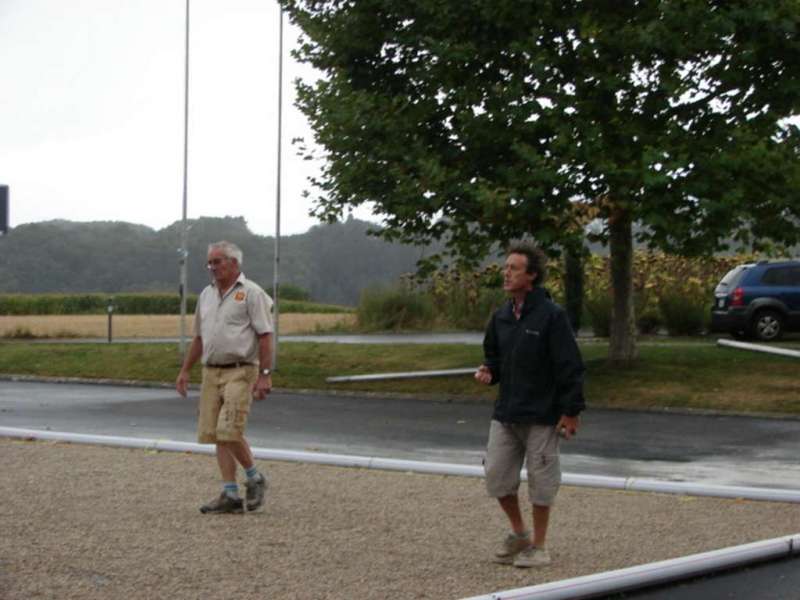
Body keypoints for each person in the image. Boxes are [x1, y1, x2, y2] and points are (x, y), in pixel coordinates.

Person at [475, 241, 586, 568]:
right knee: (496, 476)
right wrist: (489, 372)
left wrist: (571, 411)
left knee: (541, 481)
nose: (506, 273)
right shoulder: (501, 316)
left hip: (543, 415)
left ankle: (539, 547)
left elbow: (570, 365)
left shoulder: (552, 316)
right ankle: (519, 533)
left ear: (532, 276)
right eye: (505, 267)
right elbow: (493, 358)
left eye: (514, 268)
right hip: (506, 413)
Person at [176, 240, 274, 514]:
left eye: (218, 261)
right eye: (210, 262)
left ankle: (255, 478)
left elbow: (265, 336)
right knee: (215, 435)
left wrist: (265, 375)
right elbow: (199, 337)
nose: (212, 267)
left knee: (230, 430)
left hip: (241, 370)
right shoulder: (206, 296)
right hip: (211, 371)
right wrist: (185, 370)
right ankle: (230, 494)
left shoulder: (252, 294)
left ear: (234, 263)